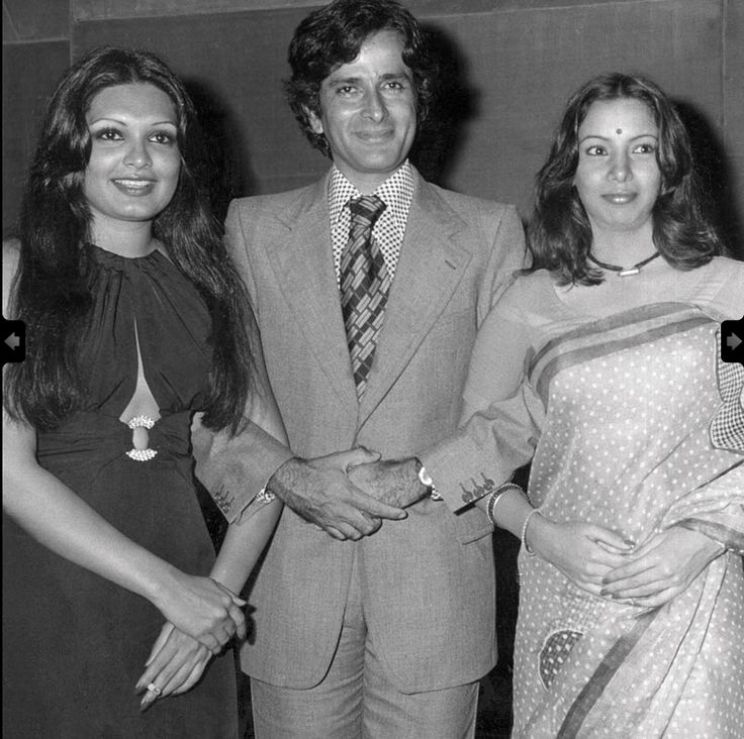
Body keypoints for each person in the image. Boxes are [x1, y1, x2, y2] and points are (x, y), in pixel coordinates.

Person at [148, 1, 526, 736]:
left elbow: (516, 414)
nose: (375, 110)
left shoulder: (491, 233)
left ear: (420, 98)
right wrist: (290, 476)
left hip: (436, 594)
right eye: (348, 88)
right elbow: (216, 404)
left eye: (393, 84)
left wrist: (420, 475)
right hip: (293, 592)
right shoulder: (250, 230)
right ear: (312, 112)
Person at [427, 72, 744, 736]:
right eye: (598, 149)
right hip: (570, 594)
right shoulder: (528, 304)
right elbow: (470, 461)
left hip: (696, 592)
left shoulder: (732, 293)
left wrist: (701, 538)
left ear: (670, 166)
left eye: (641, 148)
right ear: (570, 169)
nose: (619, 171)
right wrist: (543, 535)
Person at [2, 46, 285, 738]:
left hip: (188, 618)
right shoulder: (10, 278)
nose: (139, 158)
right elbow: (6, 468)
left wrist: (212, 602)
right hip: (52, 598)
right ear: (70, 154)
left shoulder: (215, 289)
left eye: (161, 137)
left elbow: (270, 472)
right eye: (110, 134)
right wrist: (169, 587)